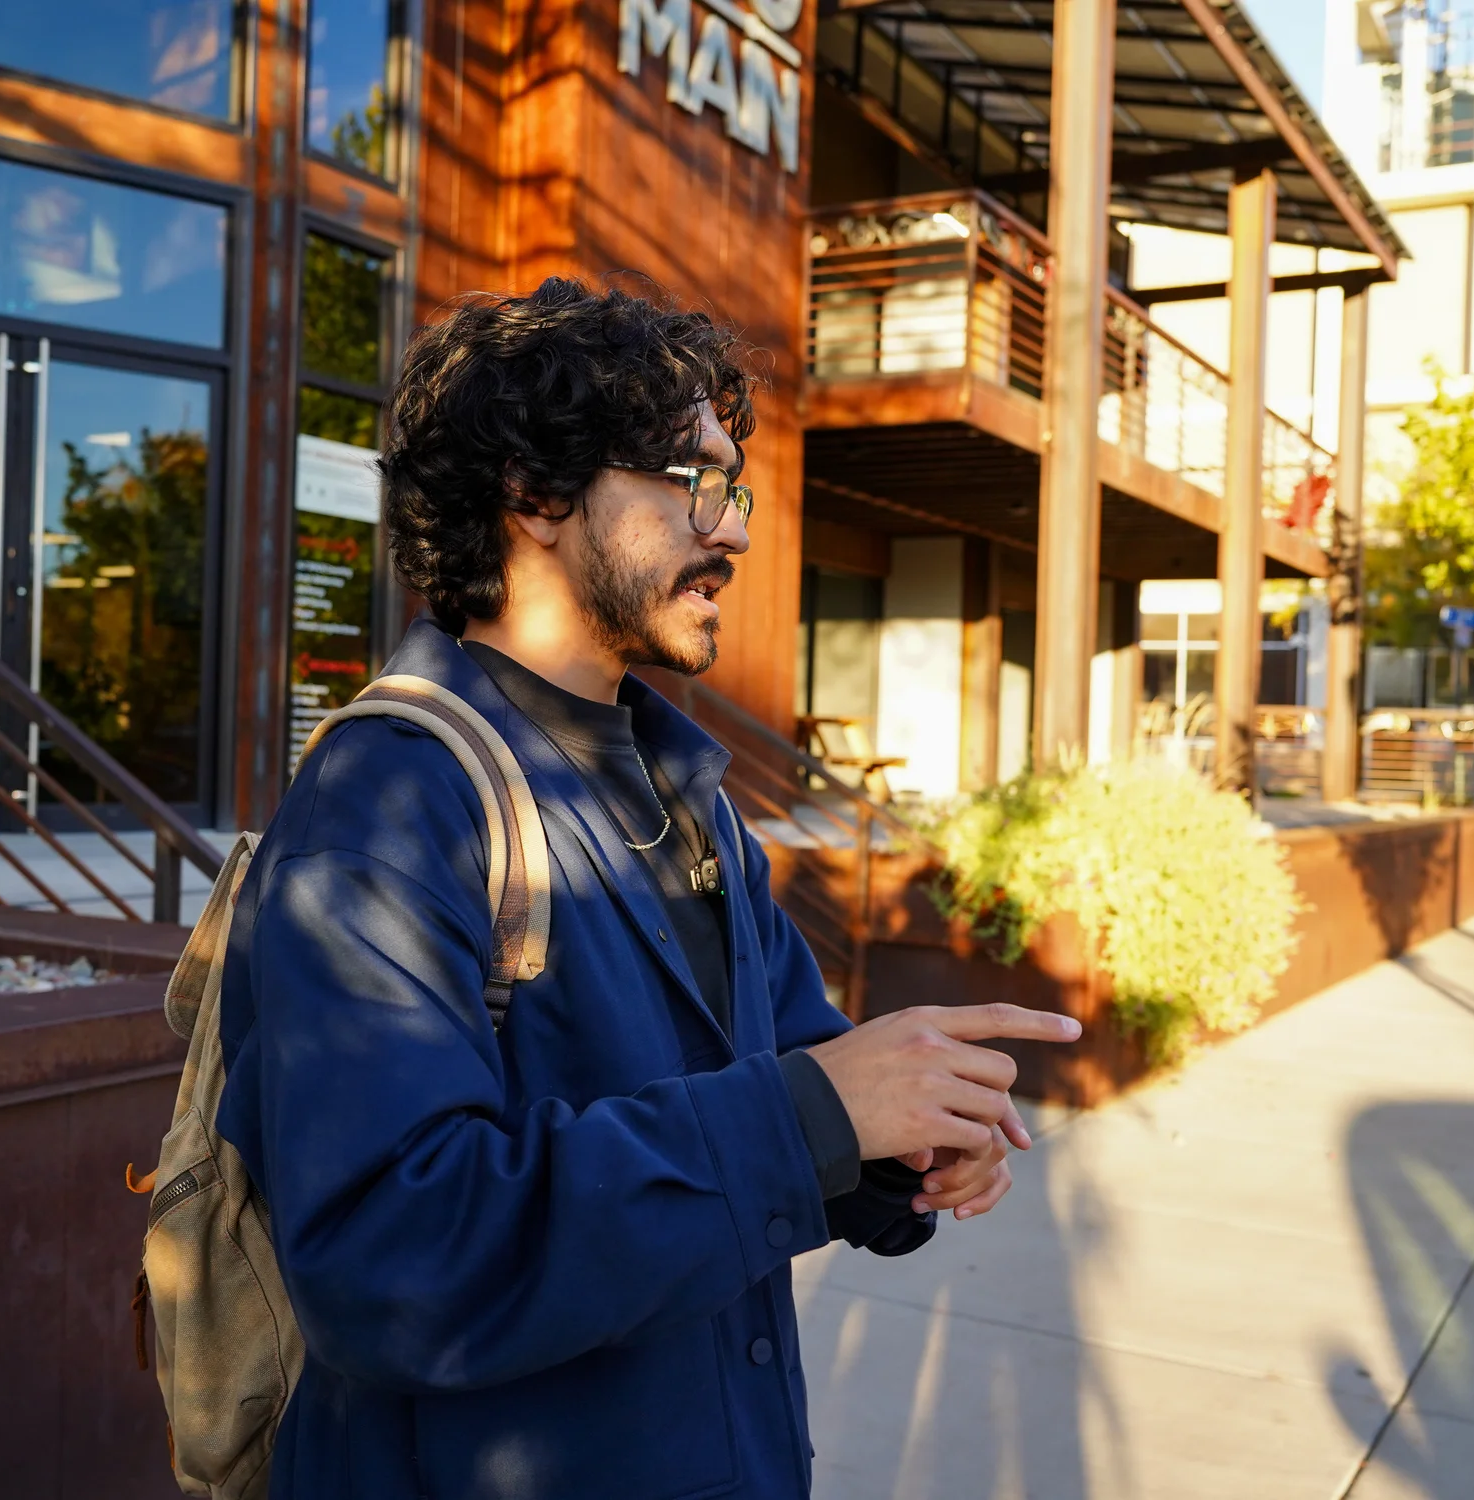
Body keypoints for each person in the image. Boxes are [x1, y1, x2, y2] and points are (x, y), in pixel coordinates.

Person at [215, 276, 1082, 1499]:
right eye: (692, 481)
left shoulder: (689, 792)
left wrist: (904, 1147)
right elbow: (391, 1259)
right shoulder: (391, 801)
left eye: (733, 488)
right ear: (534, 493)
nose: (731, 531)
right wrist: (813, 1116)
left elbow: (795, 1072)